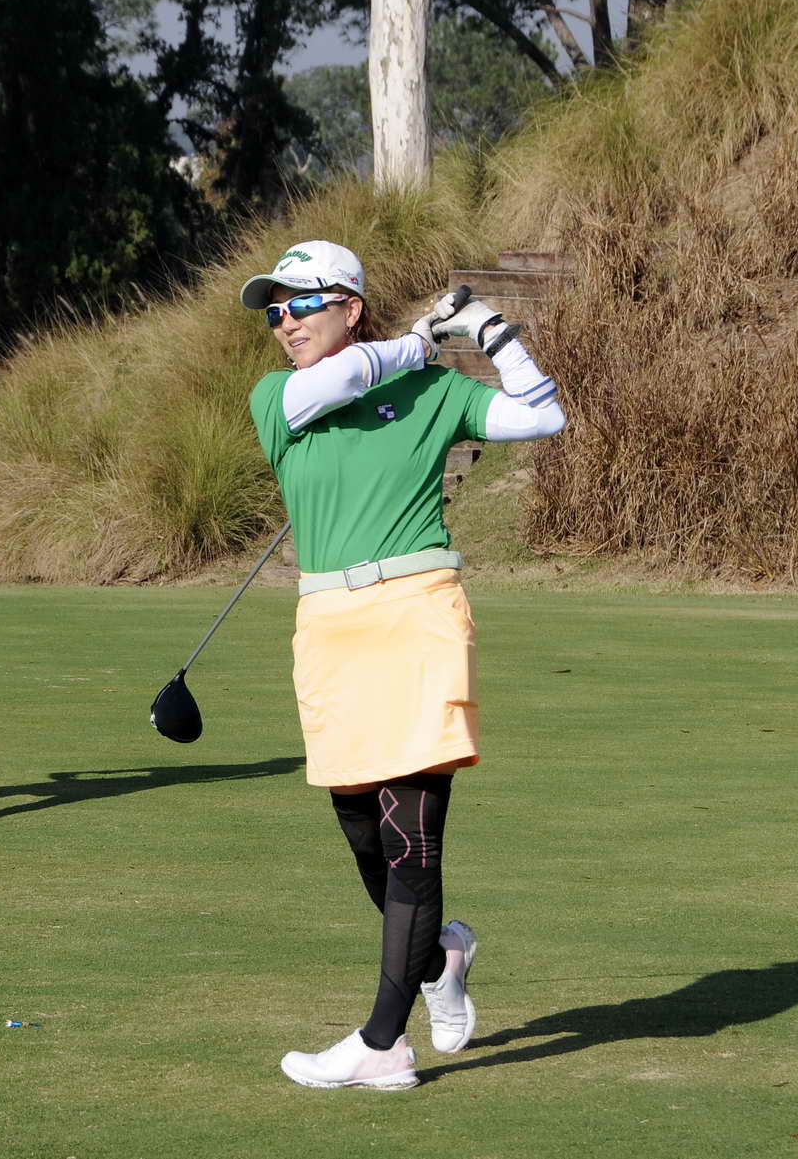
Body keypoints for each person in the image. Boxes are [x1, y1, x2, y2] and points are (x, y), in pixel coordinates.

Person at [242, 241, 566, 1089]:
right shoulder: (279, 396)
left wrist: (489, 329)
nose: (285, 323)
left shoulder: (432, 390)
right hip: (329, 624)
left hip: (420, 609)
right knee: (363, 835)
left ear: (350, 306)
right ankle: (440, 958)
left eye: (302, 304)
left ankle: (383, 1041)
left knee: (410, 837)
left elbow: (541, 414)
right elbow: (345, 378)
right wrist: (416, 341)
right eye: (274, 311)